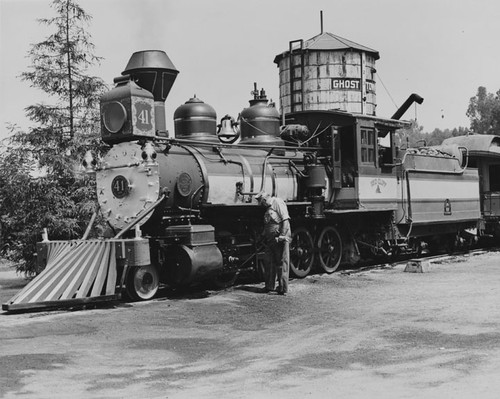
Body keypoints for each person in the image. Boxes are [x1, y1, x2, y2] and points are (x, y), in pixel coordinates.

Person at [256, 191, 291, 295]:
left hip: (278, 238)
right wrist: (262, 236)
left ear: (265, 199)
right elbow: (269, 225)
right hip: (270, 239)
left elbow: (285, 220)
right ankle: (269, 287)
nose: (261, 205)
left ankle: (282, 288)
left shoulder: (277, 202)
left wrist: (282, 235)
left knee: (281, 262)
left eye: (261, 202)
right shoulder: (268, 208)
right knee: (269, 261)